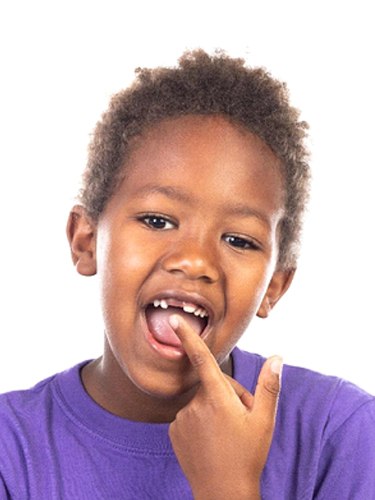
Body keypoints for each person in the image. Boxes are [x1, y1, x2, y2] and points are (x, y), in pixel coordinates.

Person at [0, 50, 374, 499]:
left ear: (273, 286)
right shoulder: (12, 449)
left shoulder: (340, 433)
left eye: (239, 240)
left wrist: (229, 487)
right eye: (157, 221)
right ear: (86, 240)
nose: (195, 261)